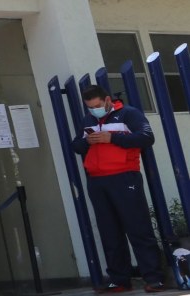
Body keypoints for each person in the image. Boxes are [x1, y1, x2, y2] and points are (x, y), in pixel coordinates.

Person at [70, 85, 167, 293]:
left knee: (138, 228)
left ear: (107, 100)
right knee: (109, 232)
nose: (94, 110)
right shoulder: (88, 120)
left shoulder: (129, 113)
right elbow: (76, 146)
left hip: (124, 176)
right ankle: (119, 280)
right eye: (90, 107)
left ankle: (154, 278)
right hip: (97, 180)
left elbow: (146, 137)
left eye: (97, 106)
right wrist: (87, 141)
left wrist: (112, 138)